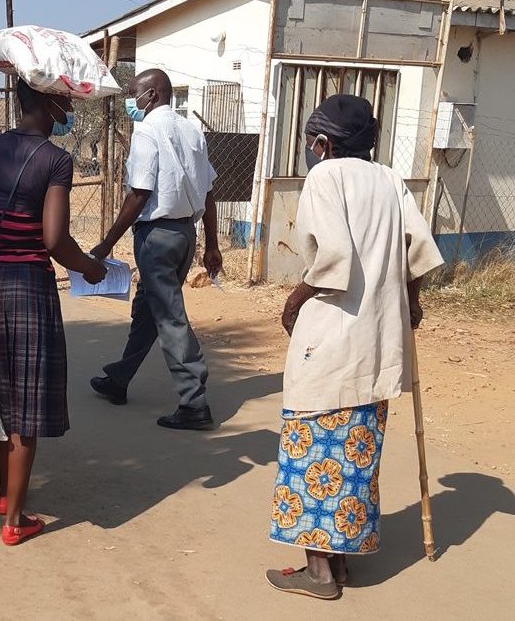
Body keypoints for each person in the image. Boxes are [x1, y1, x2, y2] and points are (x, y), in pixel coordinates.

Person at [266, 95, 444, 599]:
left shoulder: (326, 177)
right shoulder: (389, 178)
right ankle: (339, 563)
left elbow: (332, 260)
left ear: (323, 143)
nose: (308, 150)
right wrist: (411, 305)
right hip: (379, 342)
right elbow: (416, 251)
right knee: (354, 454)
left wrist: (293, 300)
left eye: (310, 142)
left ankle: (319, 572)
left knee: (313, 448)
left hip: (332, 337)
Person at [0, 78, 106, 546]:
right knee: (27, 406)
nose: (70, 102)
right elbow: (54, 241)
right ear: (47, 101)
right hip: (30, 290)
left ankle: (1, 493)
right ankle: (14, 520)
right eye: (65, 96)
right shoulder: (57, 161)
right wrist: (91, 269)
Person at [90, 68, 222, 431]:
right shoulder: (191, 131)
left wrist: (106, 243)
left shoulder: (147, 130)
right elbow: (209, 193)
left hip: (158, 237)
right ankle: (119, 378)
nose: (132, 101)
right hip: (185, 235)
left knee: (169, 317)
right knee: (149, 309)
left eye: (135, 93)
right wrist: (211, 244)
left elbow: (140, 193)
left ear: (153, 95)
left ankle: (194, 402)